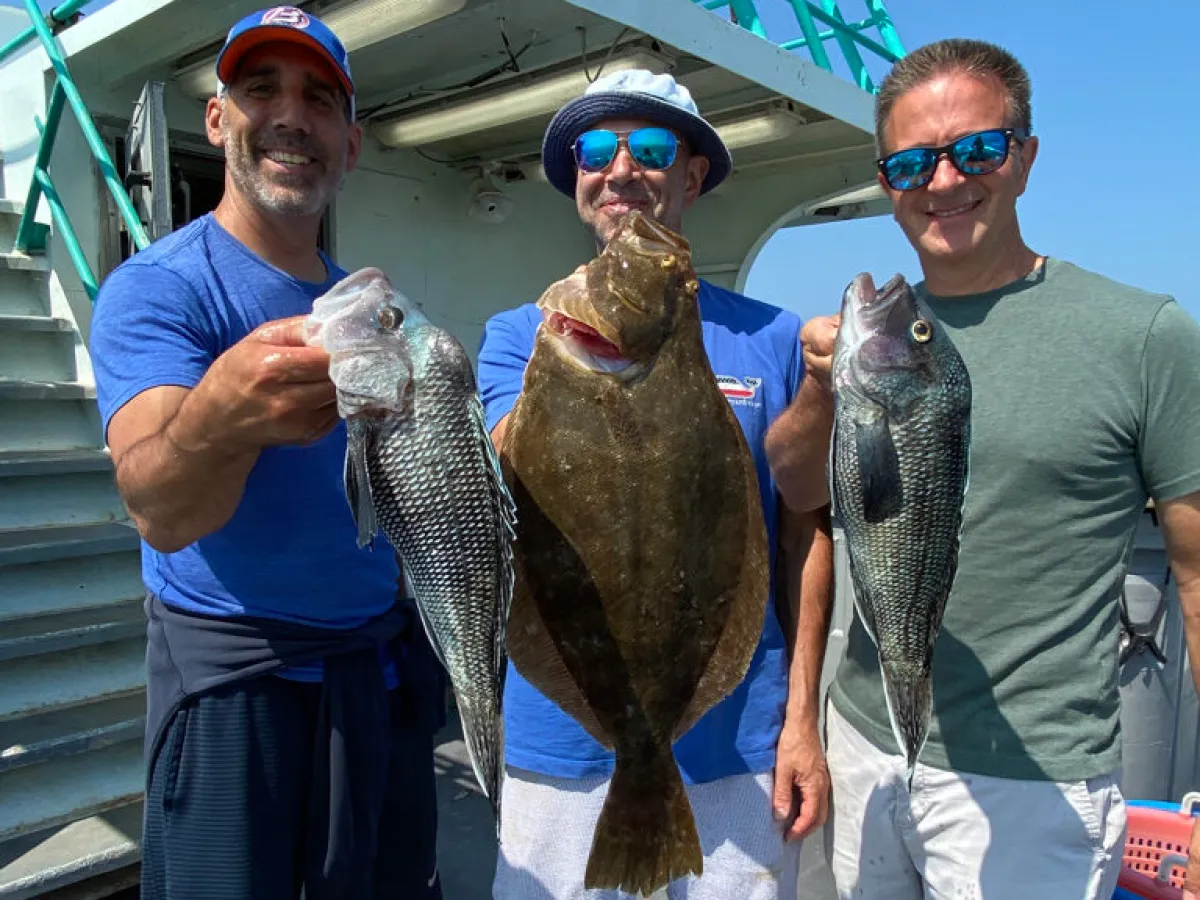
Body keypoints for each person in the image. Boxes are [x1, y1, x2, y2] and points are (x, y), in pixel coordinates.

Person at [766, 36, 1200, 899]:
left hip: (1035, 775)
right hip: (860, 744)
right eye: (911, 162)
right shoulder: (875, 338)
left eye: (978, 150)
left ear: (1025, 158)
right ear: (885, 181)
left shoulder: (1146, 335)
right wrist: (823, 390)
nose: (945, 181)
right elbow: (800, 491)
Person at [88, 7, 444, 899]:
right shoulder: (158, 288)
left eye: (320, 101)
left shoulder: (363, 302)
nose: (291, 116)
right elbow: (161, 511)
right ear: (217, 120)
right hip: (238, 688)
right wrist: (222, 414)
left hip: (379, 672)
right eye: (261, 91)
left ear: (352, 145)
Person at [476, 68, 835, 898]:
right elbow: (507, 459)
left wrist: (802, 719)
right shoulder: (519, 336)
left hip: (736, 743)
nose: (622, 169)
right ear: (576, 180)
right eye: (596, 150)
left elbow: (803, 532)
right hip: (562, 743)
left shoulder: (775, 340)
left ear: (693, 173)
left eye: (653, 148)